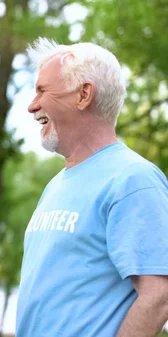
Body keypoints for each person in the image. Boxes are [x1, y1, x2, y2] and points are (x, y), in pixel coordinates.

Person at [17, 37, 168, 337]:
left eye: (42, 90)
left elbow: (159, 296)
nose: (32, 105)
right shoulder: (56, 185)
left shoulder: (133, 180)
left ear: (84, 94)